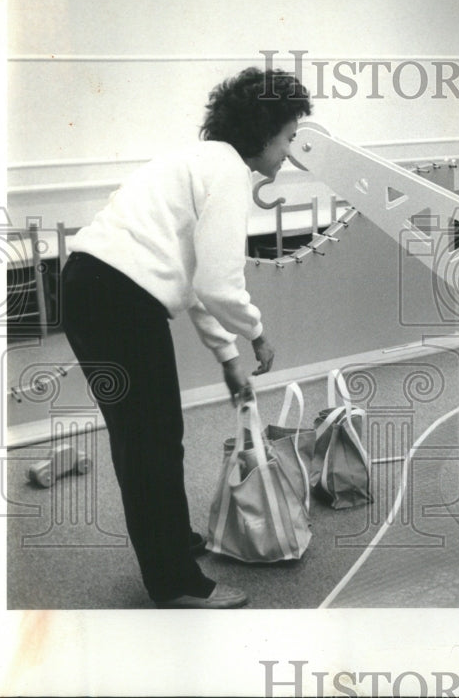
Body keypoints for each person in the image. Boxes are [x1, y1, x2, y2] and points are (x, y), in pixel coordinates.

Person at [61, 67, 311, 608]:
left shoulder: (199, 162)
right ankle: (175, 584)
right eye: (290, 137)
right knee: (147, 442)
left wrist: (227, 356)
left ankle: (173, 543)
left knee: (155, 433)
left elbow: (192, 279)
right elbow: (219, 285)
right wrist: (258, 335)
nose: (290, 153)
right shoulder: (226, 174)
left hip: (98, 288)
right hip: (115, 296)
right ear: (264, 131)